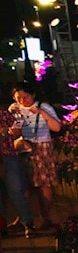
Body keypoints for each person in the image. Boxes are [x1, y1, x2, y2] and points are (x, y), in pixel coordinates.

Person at [10, 84, 61, 231]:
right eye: (18, 98)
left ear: (33, 95)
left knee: (44, 184)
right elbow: (16, 130)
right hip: (23, 148)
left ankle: (46, 218)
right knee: (23, 185)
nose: (22, 101)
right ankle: (24, 218)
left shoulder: (43, 107)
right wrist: (14, 130)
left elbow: (57, 127)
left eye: (25, 97)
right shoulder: (15, 109)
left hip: (42, 147)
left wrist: (41, 112)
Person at [0, 101, 34, 237]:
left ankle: (28, 223)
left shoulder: (3, 112)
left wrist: (11, 133)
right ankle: (2, 226)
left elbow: (17, 128)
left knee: (16, 191)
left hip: (7, 156)